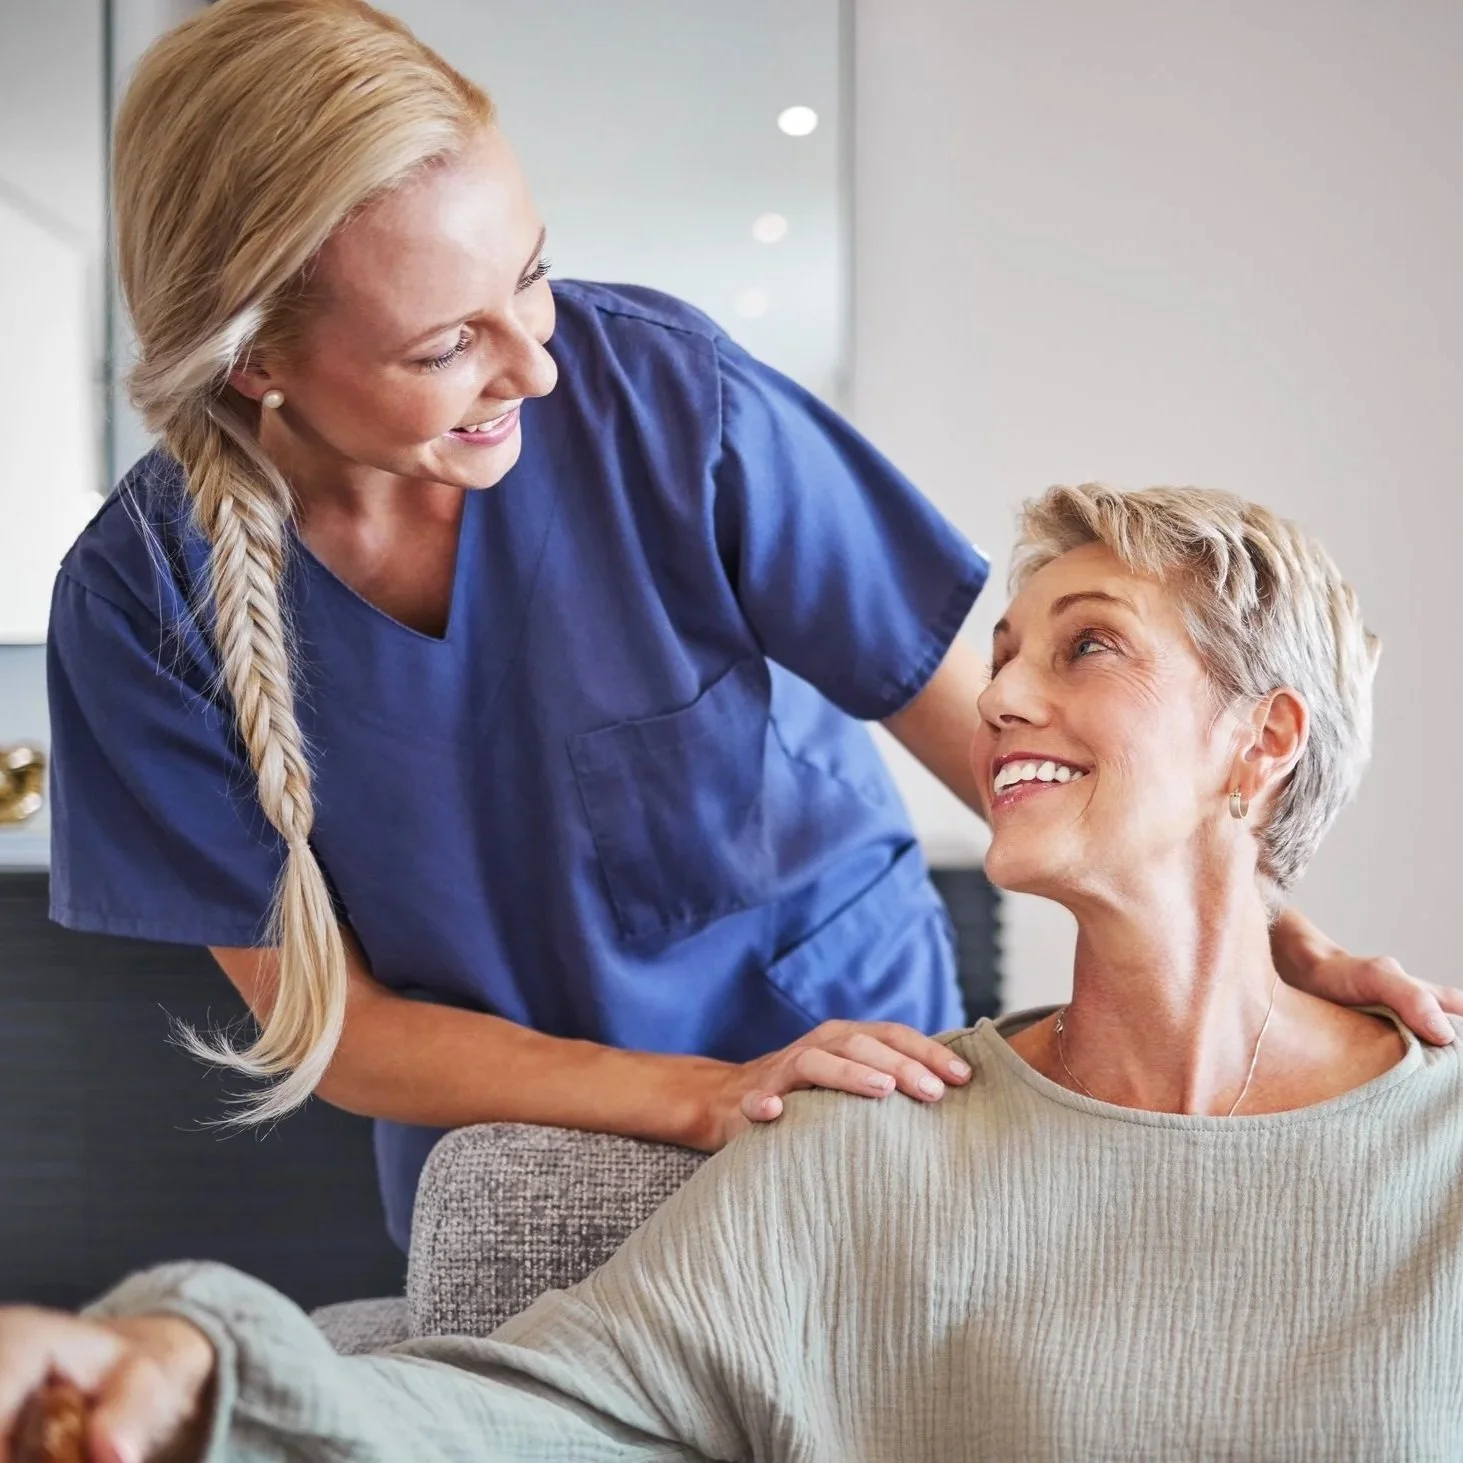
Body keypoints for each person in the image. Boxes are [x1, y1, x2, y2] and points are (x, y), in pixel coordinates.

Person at [45, 0, 1449, 1254]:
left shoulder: (658, 395)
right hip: (532, 1145)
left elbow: (998, 732)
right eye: (443, 346)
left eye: (529, 275)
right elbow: (337, 1028)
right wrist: (700, 1100)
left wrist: (1264, 940)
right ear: (258, 365)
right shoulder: (134, 612)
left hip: (874, 1062)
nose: (534, 362)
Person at [10, 484, 1460, 1462]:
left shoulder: (1435, 1150)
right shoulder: (869, 1144)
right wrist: (198, 1364)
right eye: (1006, 649)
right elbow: (524, 1406)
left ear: (1258, 743)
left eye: (1088, 648)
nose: (1004, 691)